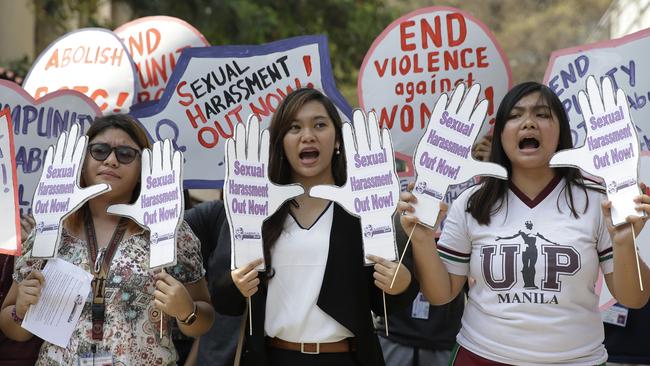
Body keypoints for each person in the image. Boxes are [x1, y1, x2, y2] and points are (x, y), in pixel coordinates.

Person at [398, 81, 650, 365]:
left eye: (542, 114)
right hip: (482, 357)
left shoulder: (598, 202)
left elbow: (634, 298)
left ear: (561, 131)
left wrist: (624, 240)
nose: (528, 123)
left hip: (577, 360)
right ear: (500, 135)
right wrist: (421, 238)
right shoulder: (472, 202)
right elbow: (440, 295)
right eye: (515, 115)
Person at [211, 88, 419, 366]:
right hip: (272, 357)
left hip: (345, 358)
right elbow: (223, 299)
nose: (307, 135)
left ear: (337, 139)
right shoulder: (254, 207)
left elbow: (384, 300)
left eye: (319, 125)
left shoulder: (365, 207)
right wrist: (236, 283)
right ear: (281, 141)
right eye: (294, 127)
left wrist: (402, 283)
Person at [0, 114, 214, 365]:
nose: (111, 160)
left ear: (142, 168)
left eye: (125, 154)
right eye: (100, 151)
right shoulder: (49, 226)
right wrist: (21, 310)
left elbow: (204, 320)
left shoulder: (168, 230)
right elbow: (12, 327)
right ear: (83, 161)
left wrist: (186, 312)